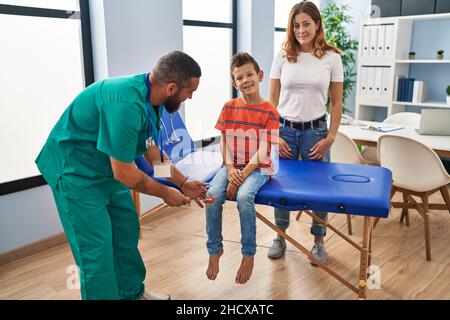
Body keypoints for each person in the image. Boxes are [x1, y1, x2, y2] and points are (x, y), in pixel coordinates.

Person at [35, 51, 208, 300]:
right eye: (189, 91)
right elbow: (126, 173)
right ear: (171, 87)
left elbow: (151, 150)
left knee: (125, 232)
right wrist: (164, 193)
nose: (189, 97)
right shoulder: (125, 104)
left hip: (106, 169)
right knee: (97, 252)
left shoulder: (151, 99)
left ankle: (132, 294)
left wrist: (181, 183)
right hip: (75, 173)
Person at [267, 1, 343, 265]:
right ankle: (279, 236)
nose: (301, 30)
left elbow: (337, 102)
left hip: (316, 132)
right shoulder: (283, 55)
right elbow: (272, 100)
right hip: (285, 131)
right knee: (281, 186)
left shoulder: (332, 57)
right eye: (296, 25)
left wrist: (330, 137)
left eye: (306, 24)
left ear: (317, 24)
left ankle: (319, 241)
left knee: (319, 189)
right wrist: (273, 134)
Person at [205, 52, 279, 284]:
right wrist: (229, 168)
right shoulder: (228, 107)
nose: (245, 80)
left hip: (258, 168)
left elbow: (265, 150)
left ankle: (248, 254)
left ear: (260, 75)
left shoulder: (270, 112)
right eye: (239, 77)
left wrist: (241, 176)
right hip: (231, 166)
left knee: (244, 196)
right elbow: (224, 141)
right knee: (211, 195)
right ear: (234, 82)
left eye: (249, 74)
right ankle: (214, 249)